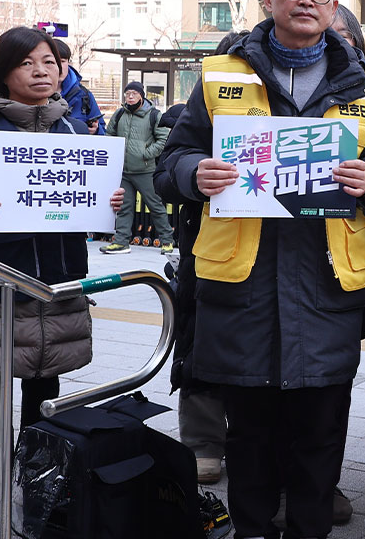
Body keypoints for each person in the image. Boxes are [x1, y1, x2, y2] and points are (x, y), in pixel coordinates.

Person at [156, 0, 365, 539]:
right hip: (244, 289)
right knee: (251, 440)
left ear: (334, 5)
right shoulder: (219, 76)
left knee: (320, 439)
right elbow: (171, 162)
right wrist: (194, 174)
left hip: (326, 290)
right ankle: (253, 530)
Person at [0, 26, 123, 529]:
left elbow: (87, 204)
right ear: (3, 72)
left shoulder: (73, 130)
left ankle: (43, 482)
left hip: (58, 281)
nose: (42, 71)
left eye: (49, 62)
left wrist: (107, 203)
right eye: (28, 63)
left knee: (47, 388)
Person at [164, 33, 241, 489]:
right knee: (200, 343)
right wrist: (195, 171)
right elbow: (168, 166)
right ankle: (202, 443)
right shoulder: (197, 106)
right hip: (205, 249)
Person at [100, 81, 174, 254]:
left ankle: (167, 241)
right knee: (124, 207)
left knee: (155, 206)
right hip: (124, 171)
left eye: (134, 93)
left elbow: (164, 139)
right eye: (127, 93)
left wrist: (146, 154)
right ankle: (121, 242)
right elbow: (109, 135)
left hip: (146, 170)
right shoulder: (119, 114)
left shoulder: (153, 115)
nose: (130, 96)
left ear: (141, 95)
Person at [54, 38, 106, 135]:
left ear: (69, 62)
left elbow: (103, 131)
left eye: (62, 61)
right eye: (53, 62)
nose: (59, 67)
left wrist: (96, 131)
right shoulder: (29, 93)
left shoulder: (84, 95)